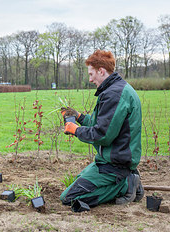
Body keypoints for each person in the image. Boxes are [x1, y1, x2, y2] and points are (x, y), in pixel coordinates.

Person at [60, 50, 143, 208]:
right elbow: (101, 123)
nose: (90, 79)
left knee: (69, 197)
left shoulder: (114, 94)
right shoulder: (116, 90)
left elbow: (102, 135)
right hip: (112, 160)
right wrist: (78, 116)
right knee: (78, 179)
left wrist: (75, 130)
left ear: (101, 71)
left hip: (115, 164)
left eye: (91, 74)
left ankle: (126, 184)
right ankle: (128, 179)